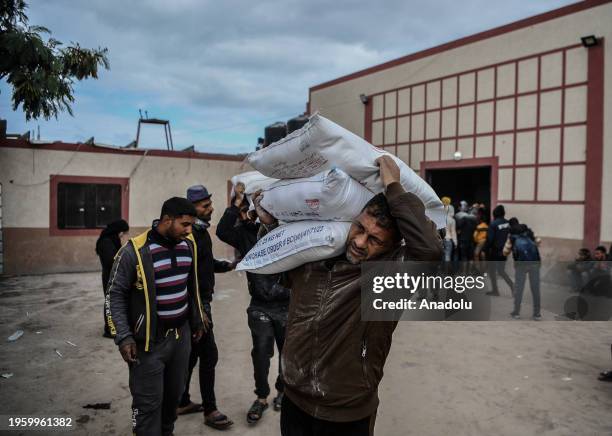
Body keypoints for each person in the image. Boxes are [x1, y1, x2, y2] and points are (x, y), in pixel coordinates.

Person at [252, 156, 442, 436]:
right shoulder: (315, 256)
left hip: (347, 411)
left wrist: (393, 185)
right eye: (360, 228)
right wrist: (269, 226)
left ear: (392, 248)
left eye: (375, 239)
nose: (360, 241)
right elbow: (276, 265)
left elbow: (429, 250)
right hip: (295, 399)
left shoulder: (388, 279)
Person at [107, 197, 207, 436]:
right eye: (184, 224)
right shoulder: (134, 251)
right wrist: (123, 336)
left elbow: (191, 287)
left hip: (181, 338)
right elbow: (114, 295)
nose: (189, 230)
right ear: (166, 220)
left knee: (172, 400)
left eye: (191, 224)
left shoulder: (188, 244)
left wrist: (197, 318)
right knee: (146, 406)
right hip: (148, 343)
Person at [216, 184, 290, 424]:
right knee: (261, 352)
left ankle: (283, 391)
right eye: (260, 207)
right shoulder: (246, 234)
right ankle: (261, 397)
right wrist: (236, 204)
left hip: (287, 305)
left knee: (287, 353)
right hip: (260, 304)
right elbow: (222, 231)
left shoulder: (290, 233)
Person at [177, 185, 234, 430]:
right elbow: (188, 277)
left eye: (210, 204)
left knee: (191, 356)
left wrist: (229, 265)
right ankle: (210, 410)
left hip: (199, 304)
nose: (211, 209)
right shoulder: (191, 236)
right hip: (196, 307)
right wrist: (199, 313)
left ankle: (181, 401)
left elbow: (205, 264)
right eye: (205, 206)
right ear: (193, 209)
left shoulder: (200, 233)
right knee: (209, 355)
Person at [96, 219, 129, 338]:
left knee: (115, 301)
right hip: (109, 276)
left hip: (114, 276)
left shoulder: (111, 240)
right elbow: (111, 260)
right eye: (124, 232)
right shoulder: (106, 242)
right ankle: (109, 330)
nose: (124, 235)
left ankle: (115, 327)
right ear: (119, 232)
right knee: (110, 302)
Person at [503, 218, 541, 320]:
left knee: (519, 288)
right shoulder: (528, 231)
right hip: (535, 263)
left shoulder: (512, 236)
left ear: (510, 226)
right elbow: (538, 241)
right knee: (535, 288)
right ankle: (537, 314)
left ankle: (516, 312)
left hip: (521, 264)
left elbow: (505, 251)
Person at [485, 205, 514, 296]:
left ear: (495, 213)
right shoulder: (508, 223)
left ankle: (495, 290)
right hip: (505, 250)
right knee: (501, 270)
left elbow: (490, 239)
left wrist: (485, 249)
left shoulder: (493, 224)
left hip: (495, 251)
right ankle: (512, 286)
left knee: (492, 271)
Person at [455, 201, 477, 271]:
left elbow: (458, 228)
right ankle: (470, 272)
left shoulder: (461, 218)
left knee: (464, 256)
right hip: (471, 239)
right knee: (470, 257)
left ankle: (464, 272)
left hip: (463, 239)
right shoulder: (474, 220)